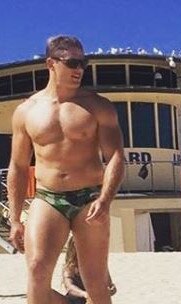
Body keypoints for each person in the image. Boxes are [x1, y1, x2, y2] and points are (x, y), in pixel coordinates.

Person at [7, 35, 125, 304]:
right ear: (51, 63)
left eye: (83, 63)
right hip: (48, 198)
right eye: (72, 62)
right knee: (37, 271)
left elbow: (116, 156)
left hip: (90, 199)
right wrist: (15, 219)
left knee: (95, 280)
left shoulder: (97, 106)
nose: (79, 69)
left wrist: (105, 200)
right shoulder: (26, 111)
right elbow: (18, 165)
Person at [63, 236, 117, 304]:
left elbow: (108, 283)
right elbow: (70, 287)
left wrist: (111, 289)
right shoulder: (70, 268)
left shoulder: (99, 264)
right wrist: (85, 294)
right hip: (76, 301)